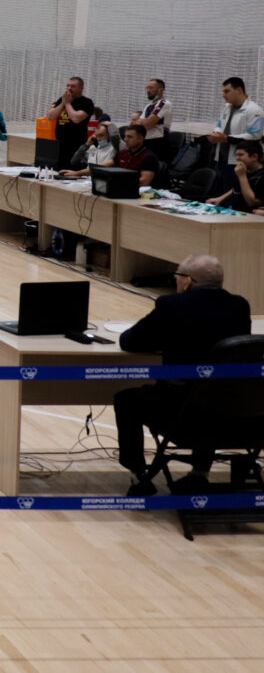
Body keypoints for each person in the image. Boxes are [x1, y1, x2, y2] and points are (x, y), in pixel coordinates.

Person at [114, 254, 251, 495]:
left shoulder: (172, 306)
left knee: (125, 400)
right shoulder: (240, 306)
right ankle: (200, 473)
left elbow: (130, 341)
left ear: (187, 282)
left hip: (179, 412)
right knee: (211, 393)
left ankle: (139, 476)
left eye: (177, 276)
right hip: (231, 413)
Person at [206, 76, 264, 173]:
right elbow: (219, 125)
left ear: (239, 90)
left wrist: (227, 138)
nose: (223, 95)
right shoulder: (227, 108)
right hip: (221, 158)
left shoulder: (254, 110)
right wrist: (216, 134)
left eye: (227, 91)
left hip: (239, 162)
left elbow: (255, 135)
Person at [45, 76, 97, 168]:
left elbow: (76, 119)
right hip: (60, 144)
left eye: (73, 86)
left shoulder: (86, 102)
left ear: (81, 88)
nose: (69, 88)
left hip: (76, 145)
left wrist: (68, 104)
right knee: (59, 171)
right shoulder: (62, 100)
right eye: (68, 85)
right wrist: (62, 103)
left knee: (73, 170)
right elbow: (50, 117)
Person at [208, 139, 264, 213]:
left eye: (241, 155)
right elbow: (236, 189)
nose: (237, 158)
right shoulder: (244, 170)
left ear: (254, 157)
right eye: (236, 155)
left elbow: (252, 202)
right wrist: (219, 199)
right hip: (230, 209)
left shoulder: (261, 176)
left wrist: (242, 177)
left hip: (247, 214)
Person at [129, 78, 171, 162]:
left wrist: (143, 122)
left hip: (158, 143)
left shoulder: (164, 103)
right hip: (146, 141)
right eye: (147, 88)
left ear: (161, 90)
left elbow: (148, 124)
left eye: (151, 88)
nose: (148, 91)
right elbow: (136, 126)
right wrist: (143, 122)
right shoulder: (148, 106)